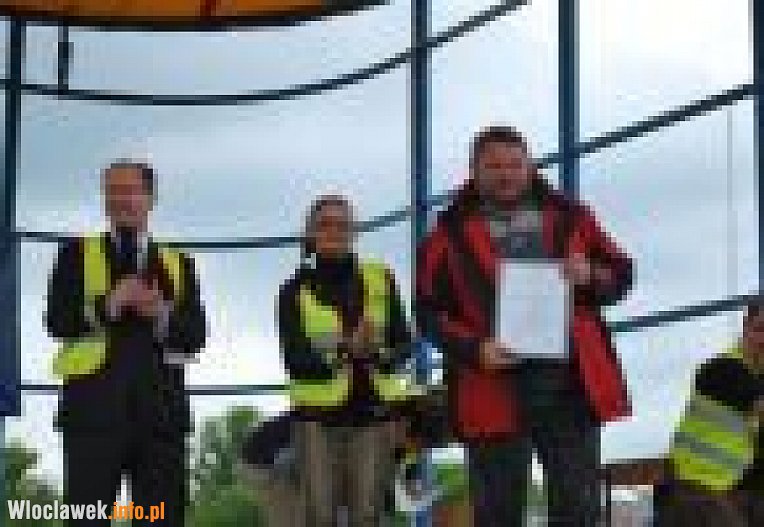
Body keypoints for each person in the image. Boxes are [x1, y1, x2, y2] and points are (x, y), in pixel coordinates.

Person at [416, 125, 634, 526]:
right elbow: (427, 313)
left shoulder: (574, 217)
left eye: (515, 164)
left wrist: (590, 274)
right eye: (494, 166)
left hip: (570, 384)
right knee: (497, 512)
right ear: (473, 171)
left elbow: (621, 274)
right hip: (490, 385)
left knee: (579, 508)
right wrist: (475, 349)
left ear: (530, 166)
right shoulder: (444, 237)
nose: (506, 174)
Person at [45, 161, 207, 526]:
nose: (120, 199)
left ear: (151, 198)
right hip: (92, 416)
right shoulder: (74, 254)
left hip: (161, 418)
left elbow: (196, 335)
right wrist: (109, 304)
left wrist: (161, 315)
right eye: (112, 191)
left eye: (130, 190)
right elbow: (57, 320)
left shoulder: (180, 262)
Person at [277, 194, 414, 527]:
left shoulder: (381, 277)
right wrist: (345, 351)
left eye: (343, 225)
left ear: (354, 231)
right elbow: (296, 360)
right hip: (316, 421)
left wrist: (377, 354)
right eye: (325, 225)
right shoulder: (293, 291)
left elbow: (404, 345)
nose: (334, 232)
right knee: (319, 516)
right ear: (310, 233)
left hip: (373, 417)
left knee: (368, 515)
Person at [652, 300, 763, 527]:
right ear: (745, 327)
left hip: (728, 491)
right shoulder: (722, 369)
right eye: (760, 329)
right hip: (694, 492)